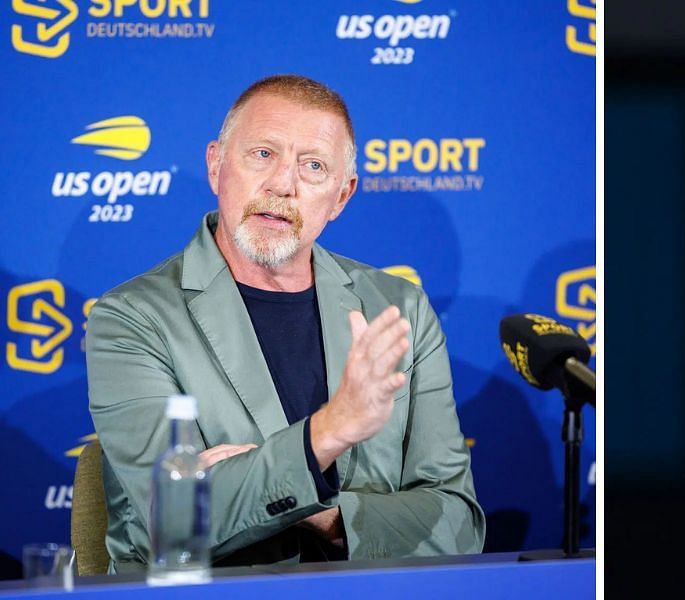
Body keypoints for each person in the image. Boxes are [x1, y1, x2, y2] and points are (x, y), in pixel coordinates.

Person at [86, 74, 485, 571]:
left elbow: (458, 526)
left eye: (313, 166)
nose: (282, 185)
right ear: (215, 166)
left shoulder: (398, 310)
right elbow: (169, 520)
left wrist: (318, 512)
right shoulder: (133, 320)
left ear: (341, 197)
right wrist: (330, 431)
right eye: (262, 154)